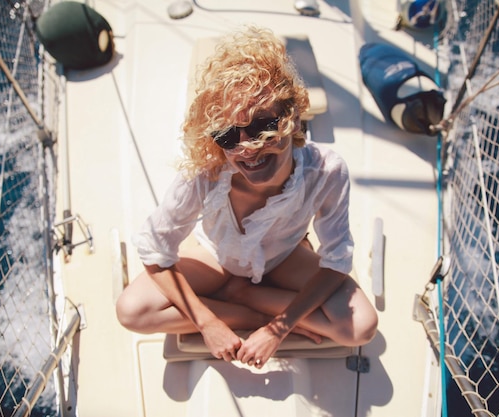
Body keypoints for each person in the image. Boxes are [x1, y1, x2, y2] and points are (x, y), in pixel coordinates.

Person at [116, 26, 377, 368]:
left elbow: (335, 262)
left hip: (283, 258)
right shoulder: (205, 172)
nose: (247, 149)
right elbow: (154, 251)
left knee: (361, 327)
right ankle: (242, 307)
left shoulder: (326, 172)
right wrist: (209, 323)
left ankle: (247, 294)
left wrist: (277, 329)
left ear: (294, 120)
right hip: (216, 256)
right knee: (131, 311)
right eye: (228, 135)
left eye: (262, 127)